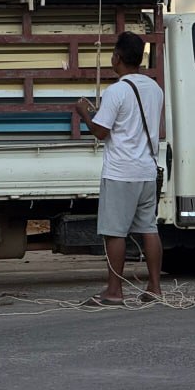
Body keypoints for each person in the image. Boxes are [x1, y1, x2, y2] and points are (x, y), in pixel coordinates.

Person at [74, 31, 164, 306]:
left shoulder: (116, 91)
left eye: (113, 53)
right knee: (149, 229)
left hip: (121, 172)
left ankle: (114, 291)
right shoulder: (154, 88)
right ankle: (155, 288)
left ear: (119, 58)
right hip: (147, 170)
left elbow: (101, 132)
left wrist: (84, 113)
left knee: (115, 232)